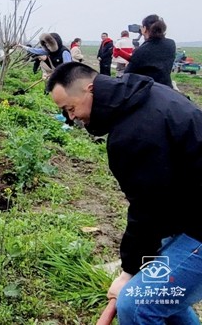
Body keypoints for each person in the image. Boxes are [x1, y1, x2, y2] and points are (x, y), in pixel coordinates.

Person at [47, 62, 202, 324]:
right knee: (163, 296)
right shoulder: (142, 94)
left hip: (197, 223)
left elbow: (147, 209)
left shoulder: (134, 132)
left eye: (70, 109)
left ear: (90, 89)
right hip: (188, 212)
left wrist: (129, 272)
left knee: (136, 304)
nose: (71, 118)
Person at [120, 14, 176, 88]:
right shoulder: (171, 44)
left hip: (148, 91)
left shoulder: (141, 50)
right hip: (166, 88)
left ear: (145, 29)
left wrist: (130, 63)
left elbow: (128, 74)